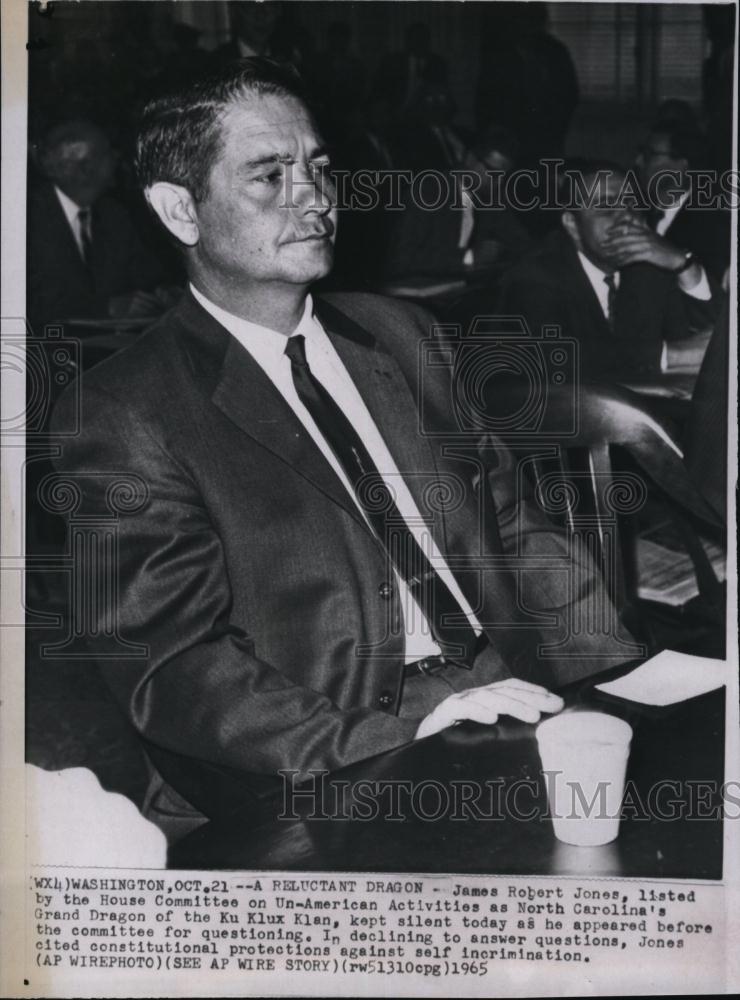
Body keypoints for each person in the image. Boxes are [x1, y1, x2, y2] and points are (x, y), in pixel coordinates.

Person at [51, 61, 632, 834]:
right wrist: (399, 735)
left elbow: (515, 527)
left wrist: (610, 677)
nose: (316, 198)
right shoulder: (124, 410)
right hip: (325, 754)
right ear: (179, 209)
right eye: (270, 176)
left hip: (511, 692)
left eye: (319, 169)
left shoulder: (404, 334)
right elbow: (173, 667)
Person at [497, 161, 718, 382]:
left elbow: (708, 340)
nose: (627, 217)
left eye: (631, 203)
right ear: (572, 224)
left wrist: (683, 264)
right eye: (606, 208)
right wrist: (669, 355)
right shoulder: (534, 275)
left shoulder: (649, 268)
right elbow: (553, 358)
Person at [27, 118, 171, 337]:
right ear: (84, 168)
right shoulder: (25, 218)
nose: (116, 158)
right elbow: (24, 303)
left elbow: (146, 274)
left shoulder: (114, 215)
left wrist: (164, 291)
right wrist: (107, 308)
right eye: (107, 153)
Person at [636, 121, 732, 284]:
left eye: (649, 154)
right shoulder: (634, 211)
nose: (638, 161)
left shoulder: (713, 225)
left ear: (682, 164)